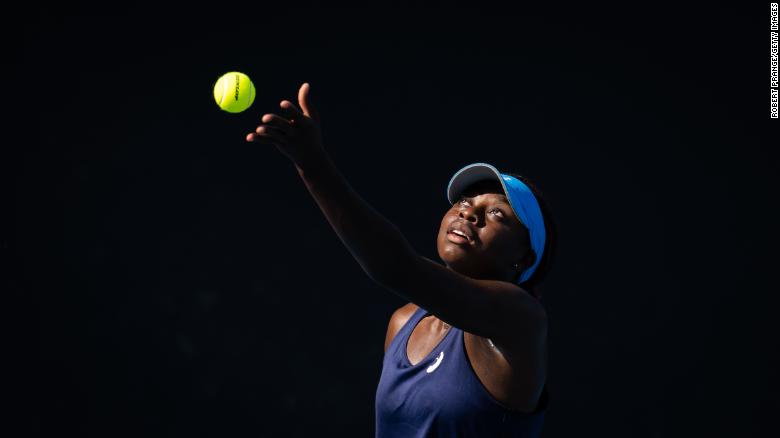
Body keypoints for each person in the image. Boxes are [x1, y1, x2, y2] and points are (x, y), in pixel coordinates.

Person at [246, 83, 557, 437]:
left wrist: (312, 164)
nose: (469, 215)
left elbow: (396, 265)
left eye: (498, 214)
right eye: (465, 203)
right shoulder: (403, 322)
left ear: (523, 258)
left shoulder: (520, 320)